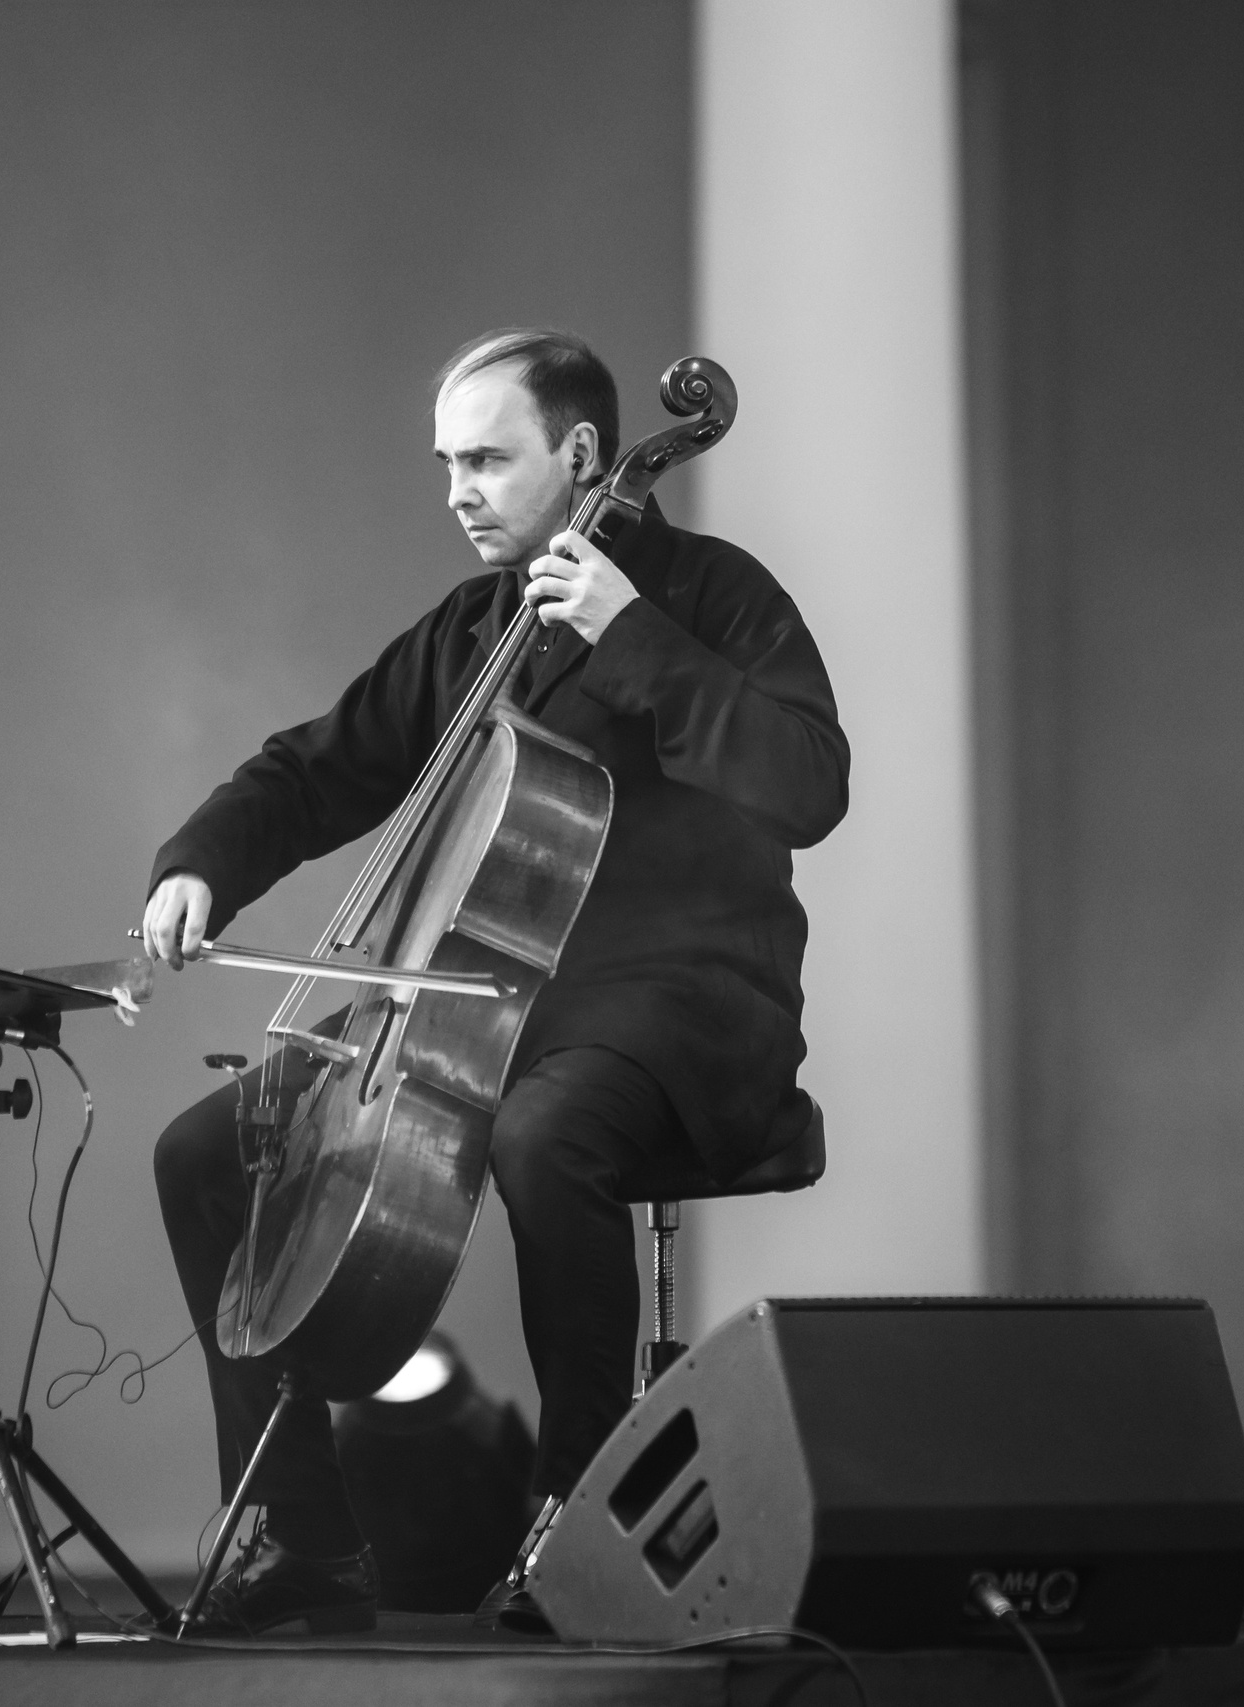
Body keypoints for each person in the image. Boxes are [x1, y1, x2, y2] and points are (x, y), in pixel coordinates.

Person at [144, 328, 847, 1634]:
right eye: (446, 462)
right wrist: (200, 867)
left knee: (546, 1135)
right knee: (206, 1149)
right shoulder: (476, 627)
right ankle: (305, 1536)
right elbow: (315, 768)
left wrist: (635, 638)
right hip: (489, 1003)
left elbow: (809, 786)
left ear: (583, 454)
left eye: (487, 457)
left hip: (685, 1004)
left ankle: (574, 1523)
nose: (459, 488)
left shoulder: (715, 598)